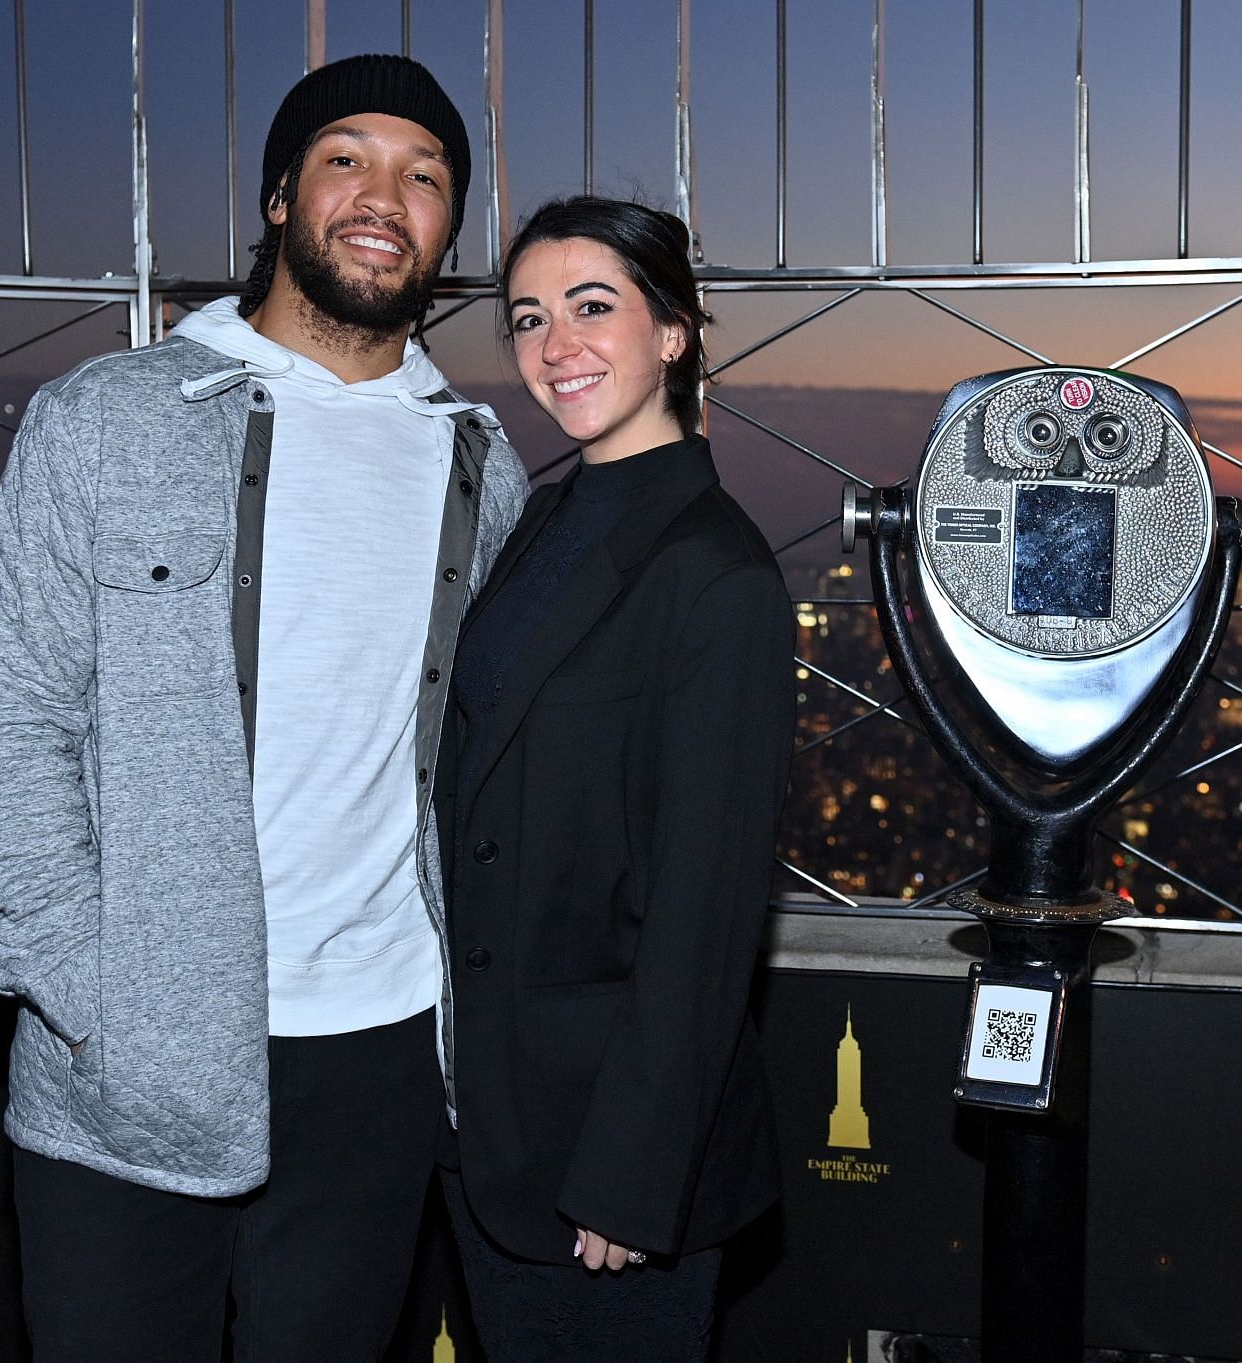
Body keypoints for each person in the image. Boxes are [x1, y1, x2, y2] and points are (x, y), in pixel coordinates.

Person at [0, 55, 527, 1363]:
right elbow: (6, 703)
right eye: (347, 159)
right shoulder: (106, 417)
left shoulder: (481, 467)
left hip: (381, 1054)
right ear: (278, 197)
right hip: (129, 1053)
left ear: (449, 229)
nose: (386, 196)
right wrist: (82, 982)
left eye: (425, 176)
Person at [435, 196, 797, 1361]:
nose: (555, 347)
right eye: (530, 317)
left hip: (607, 1159)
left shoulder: (717, 570)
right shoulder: (545, 517)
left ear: (676, 333)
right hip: (491, 1114)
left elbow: (706, 906)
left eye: (595, 307)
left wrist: (633, 1172)